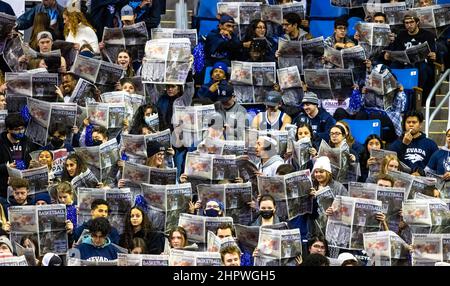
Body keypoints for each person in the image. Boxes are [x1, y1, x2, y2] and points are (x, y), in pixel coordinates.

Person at [385, 13, 437, 104]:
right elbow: (396, 52)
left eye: (411, 22)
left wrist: (433, 55)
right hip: (405, 63)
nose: (409, 25)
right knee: (393, 67)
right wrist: (389, 55)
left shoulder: (428, 35)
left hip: (422, 64)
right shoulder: (401, 35)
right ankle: (395, 98)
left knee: (422, 68)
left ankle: (420, 98)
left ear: (417, 22)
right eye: (406, 23)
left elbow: (433, 53)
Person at [0, 114, 35, 199]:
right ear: (8, 129)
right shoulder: (1, 142)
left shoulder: (27, 141)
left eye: (22, 129)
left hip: (23, 186)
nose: (20, 132)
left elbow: (31, 158)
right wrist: (5, 167)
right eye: (16, 130)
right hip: (4, 186)